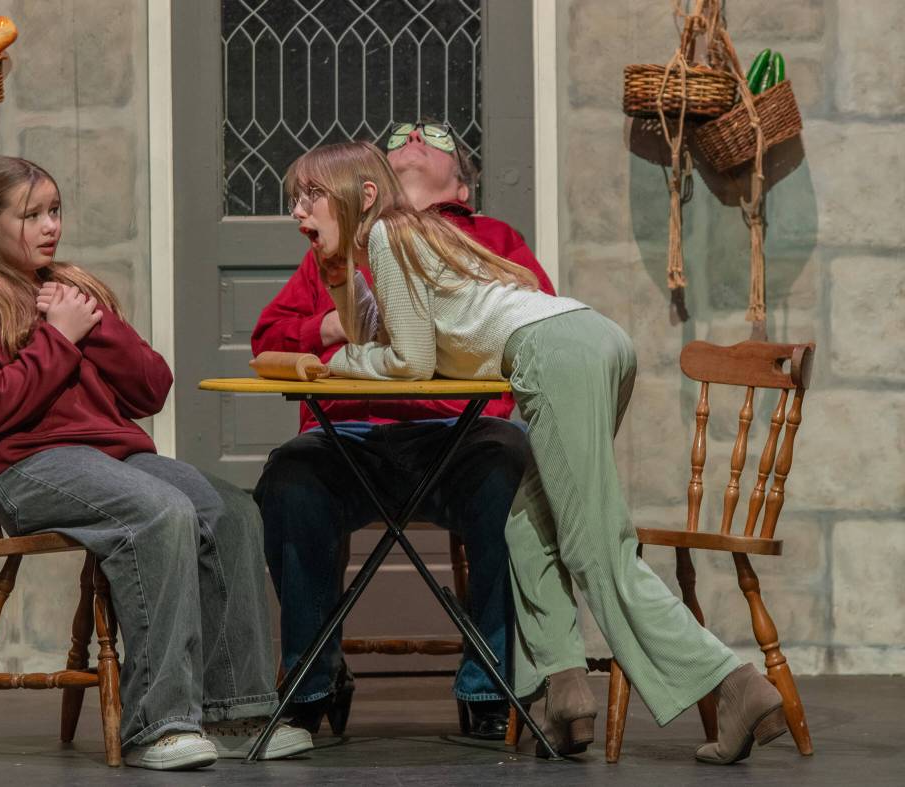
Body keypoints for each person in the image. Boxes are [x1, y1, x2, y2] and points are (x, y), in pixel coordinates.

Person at [282, 140, 790, 765]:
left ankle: (733, 685)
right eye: (294, 199)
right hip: (586, 339)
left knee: (594, 547)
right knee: (529, 530)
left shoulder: (389, 236)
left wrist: (337, 367)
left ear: (361, 197)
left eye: (312, 195)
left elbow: (406, 361)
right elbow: (386, 333)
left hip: (556, 355)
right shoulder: (404, 239)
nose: (299, 212)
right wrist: (339, 285)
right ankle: (564, 697)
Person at [0, 156, 312, 770]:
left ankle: (238, 711)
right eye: (30, 215)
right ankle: (157, 723)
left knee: (233, 510)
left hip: (115, 457)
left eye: (54, 211)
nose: (49, 226)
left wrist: (94, 325)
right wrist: (59, 338)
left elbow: (151, 389)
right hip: (28, 466)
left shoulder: (76, 290)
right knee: (158, 511)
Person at [252, 122, 555, 740]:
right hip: (351, 438)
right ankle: (313, 679)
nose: (415, 137)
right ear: (371, 187)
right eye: (402, 139)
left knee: (509, 468)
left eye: (436, 140)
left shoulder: (491, 240)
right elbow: (268, 340)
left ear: (463, 186)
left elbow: (532, 328)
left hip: (456, 437)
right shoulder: (335, 248)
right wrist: (336, 325)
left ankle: (489, 681)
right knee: (291, 477)